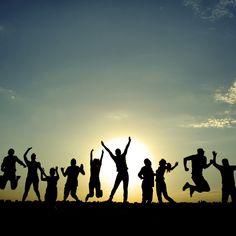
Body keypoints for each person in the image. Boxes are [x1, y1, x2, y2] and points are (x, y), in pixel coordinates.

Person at [101, 136, 131, 203]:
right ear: (119, 152)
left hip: (123, 173)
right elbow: (126, 148)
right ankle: (116, 199)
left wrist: (104, 145)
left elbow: (109, 151)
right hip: (123, 173)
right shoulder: (120, 157)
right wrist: (129, 141)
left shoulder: (117, 157)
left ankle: (121, 200)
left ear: (117, 152)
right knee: (120, 187)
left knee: (119, 187)